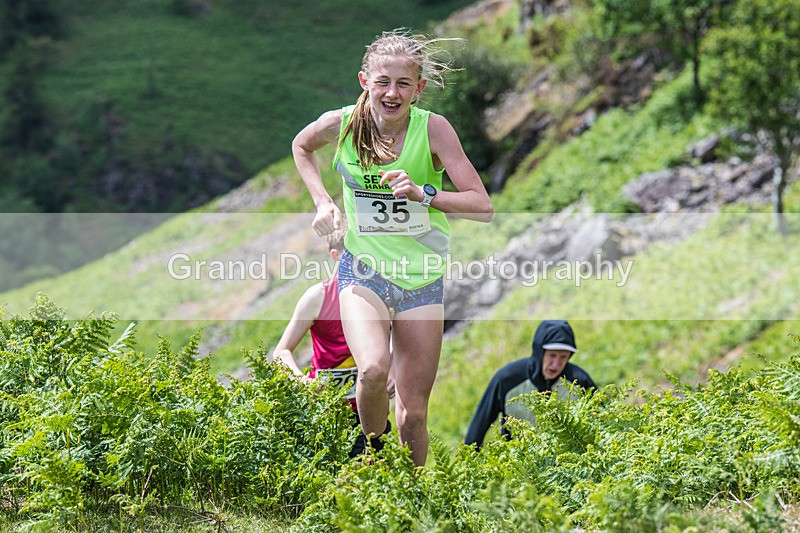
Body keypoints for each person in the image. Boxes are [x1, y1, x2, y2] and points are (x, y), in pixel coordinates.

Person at [291, 29, 493, 466]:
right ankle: (375, 461)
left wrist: (424, 193)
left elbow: (482, 206)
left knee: (414, 416)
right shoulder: (341, 124)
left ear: (419, 89)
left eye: (404, 83)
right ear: (364, 80)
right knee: (372, 369)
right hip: (363, 271)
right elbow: (301, 147)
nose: (392, 93)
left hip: (422, 282)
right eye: (383, 81)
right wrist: (323, 201)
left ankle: (415, 500)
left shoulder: (434, 130)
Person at [271, 226, 393, 458]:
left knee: (377, 478)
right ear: (336, 256)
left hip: (370, 409)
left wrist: (394, 369)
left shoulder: (384, 293)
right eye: (353, 253)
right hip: (327, 411)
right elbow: (281, 352)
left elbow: (399, 337)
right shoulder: (317, 297)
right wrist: (301, 381)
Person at [464, 320, 596, 450]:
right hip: (517, 462)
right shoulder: (507, 379)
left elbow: (604, 420)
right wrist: (470, 461)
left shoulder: (579, 381)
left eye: (563, 357)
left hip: (566, 464)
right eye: (552, 355)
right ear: (539, 352)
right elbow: (478, 427)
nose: (556, 364)